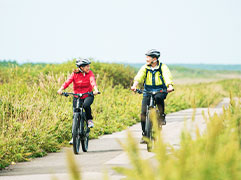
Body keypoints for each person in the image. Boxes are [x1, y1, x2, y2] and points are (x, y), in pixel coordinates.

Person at [131, 49, 174, 143]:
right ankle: (144, 134)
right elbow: (139, 77)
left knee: (159, 98)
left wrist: (169, 86)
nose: (146, 59)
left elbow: (167, 76)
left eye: (148, 57)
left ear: (154, 59)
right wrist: (134, 85)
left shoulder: (162, 67)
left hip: (160, 89)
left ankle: (161, 115)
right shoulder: (145, 67)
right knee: (143, 113)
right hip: (147, 90)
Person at [57, 58, 99, 144]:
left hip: (88, 95)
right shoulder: (74, 74)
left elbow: (92, 81)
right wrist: (61, 89)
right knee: (75, 114)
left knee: (86, 106)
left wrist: (95, 89)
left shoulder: (89, 73)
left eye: (88, 65)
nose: (88, 67)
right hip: (77, 96)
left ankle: (89, 120)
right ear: (81, 67)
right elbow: (67, 82)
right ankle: (74, 137)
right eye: (86, 66)